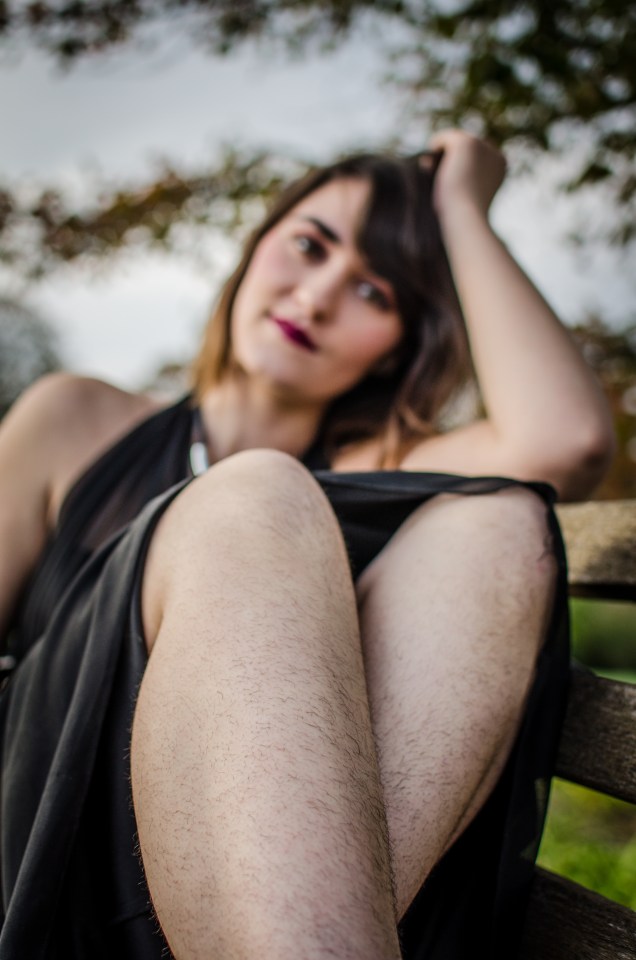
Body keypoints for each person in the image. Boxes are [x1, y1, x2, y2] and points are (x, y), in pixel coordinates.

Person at [0, 130, 614, 960]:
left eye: (373, 290)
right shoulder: (74, 417)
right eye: (310, 245)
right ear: (257, 247)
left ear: (397, 344)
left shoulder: (385, 469)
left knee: (500, 518)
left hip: (262, 876)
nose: (318, 297)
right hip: (49, 828)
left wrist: (464, 209)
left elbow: (565, 441)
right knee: (256, 489)